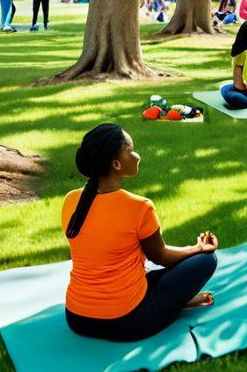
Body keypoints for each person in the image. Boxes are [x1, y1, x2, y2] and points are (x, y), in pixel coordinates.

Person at [62, 123, 217, 342]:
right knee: (206, 261)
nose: (137, 155)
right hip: (126, 322)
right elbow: (160, 257)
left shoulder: (71, 201)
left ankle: (176, 301)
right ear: (116, 164)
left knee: (148, 272)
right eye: (131, 151)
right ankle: (177, 304)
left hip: (77, 317)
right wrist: (198, 248)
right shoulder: (140, 207)